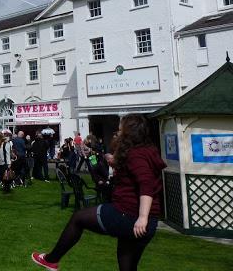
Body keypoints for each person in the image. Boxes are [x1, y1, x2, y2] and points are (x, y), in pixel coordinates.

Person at [31, 114, 167, 271]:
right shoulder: (146, 151)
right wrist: (113, 161)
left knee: (79, 218)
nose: (118, 132)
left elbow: (146, 184)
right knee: (127, 265)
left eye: (121, 129)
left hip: (129, 215)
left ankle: (51, 260)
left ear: (129, 132)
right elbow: (137, 171)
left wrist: (142, 218)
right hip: (146, 221)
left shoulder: (136, 155)